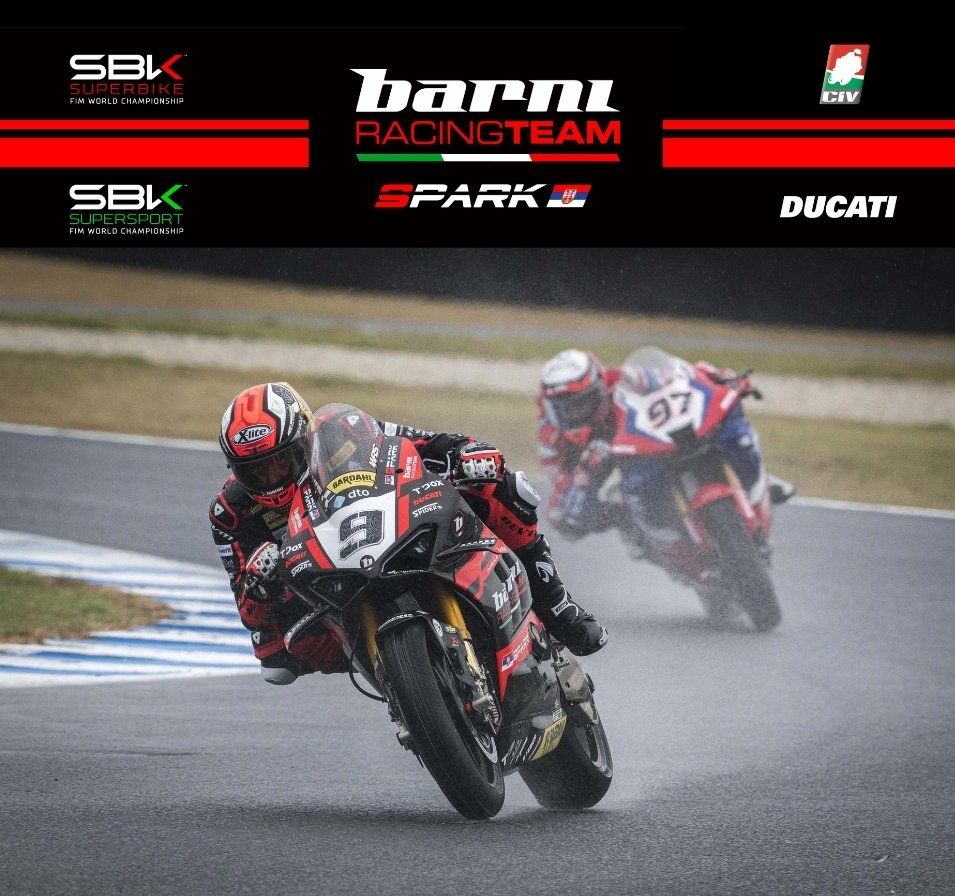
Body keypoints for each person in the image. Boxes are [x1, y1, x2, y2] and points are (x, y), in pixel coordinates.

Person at [210, 381, 608, 686]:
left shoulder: (342, 429)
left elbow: (420, 443)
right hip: (320, 587)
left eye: (281, 461)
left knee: (500, 485)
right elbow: (252, 617)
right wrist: (257, 583)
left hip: (382, 528)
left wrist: (465, 454)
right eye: (256, 471)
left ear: (305, 438)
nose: (272, 476)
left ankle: (556, 603)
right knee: (278, 657)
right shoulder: (231, 512)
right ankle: (406, 691)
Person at [535, 348, 795, 545]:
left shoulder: (619, 380)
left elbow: (680, 376)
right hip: (616, 473)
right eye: (567, 408)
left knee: (718, 433)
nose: (576, 412)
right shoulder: (552, 437)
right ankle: (676, 556)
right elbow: (560, 497)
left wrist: (719, 378)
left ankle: (752, 479)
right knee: (629, 529)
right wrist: (584, 477)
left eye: (582, 402)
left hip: (651, 442)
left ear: (600, 387)